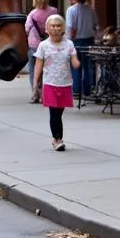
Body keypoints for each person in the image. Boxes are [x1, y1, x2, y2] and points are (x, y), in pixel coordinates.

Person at [33, 14, 80, 151]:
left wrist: (77, 63)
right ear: (47, 28)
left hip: (65, 83)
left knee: (59, 113)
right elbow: (38, 65)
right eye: (52, 26)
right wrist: (36, 82)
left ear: (63, 28)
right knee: (54, 113)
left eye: (58, 26)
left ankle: (56, 138)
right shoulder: (43, 45)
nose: (55, 28)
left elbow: (74, 59)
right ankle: (58, 140)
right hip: (50, 83)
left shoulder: (69, 44)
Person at [64, 0, 98, 102]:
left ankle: (76, 90)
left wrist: (70, 39)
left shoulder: (71, 10)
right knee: (88, 65)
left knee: (76, 65)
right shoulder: (90, 9)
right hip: (89, 39)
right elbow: (95, 25)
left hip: (77, 40)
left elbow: (71, 27)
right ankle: (88, 89)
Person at [24, 0, 58, 104]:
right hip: (49, 45)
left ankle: (35, 94)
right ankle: (45, 95)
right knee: (47, 70)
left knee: (34, 70)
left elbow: (26, 30)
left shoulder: (32, 14)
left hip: (34, 45)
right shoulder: (53, 12)